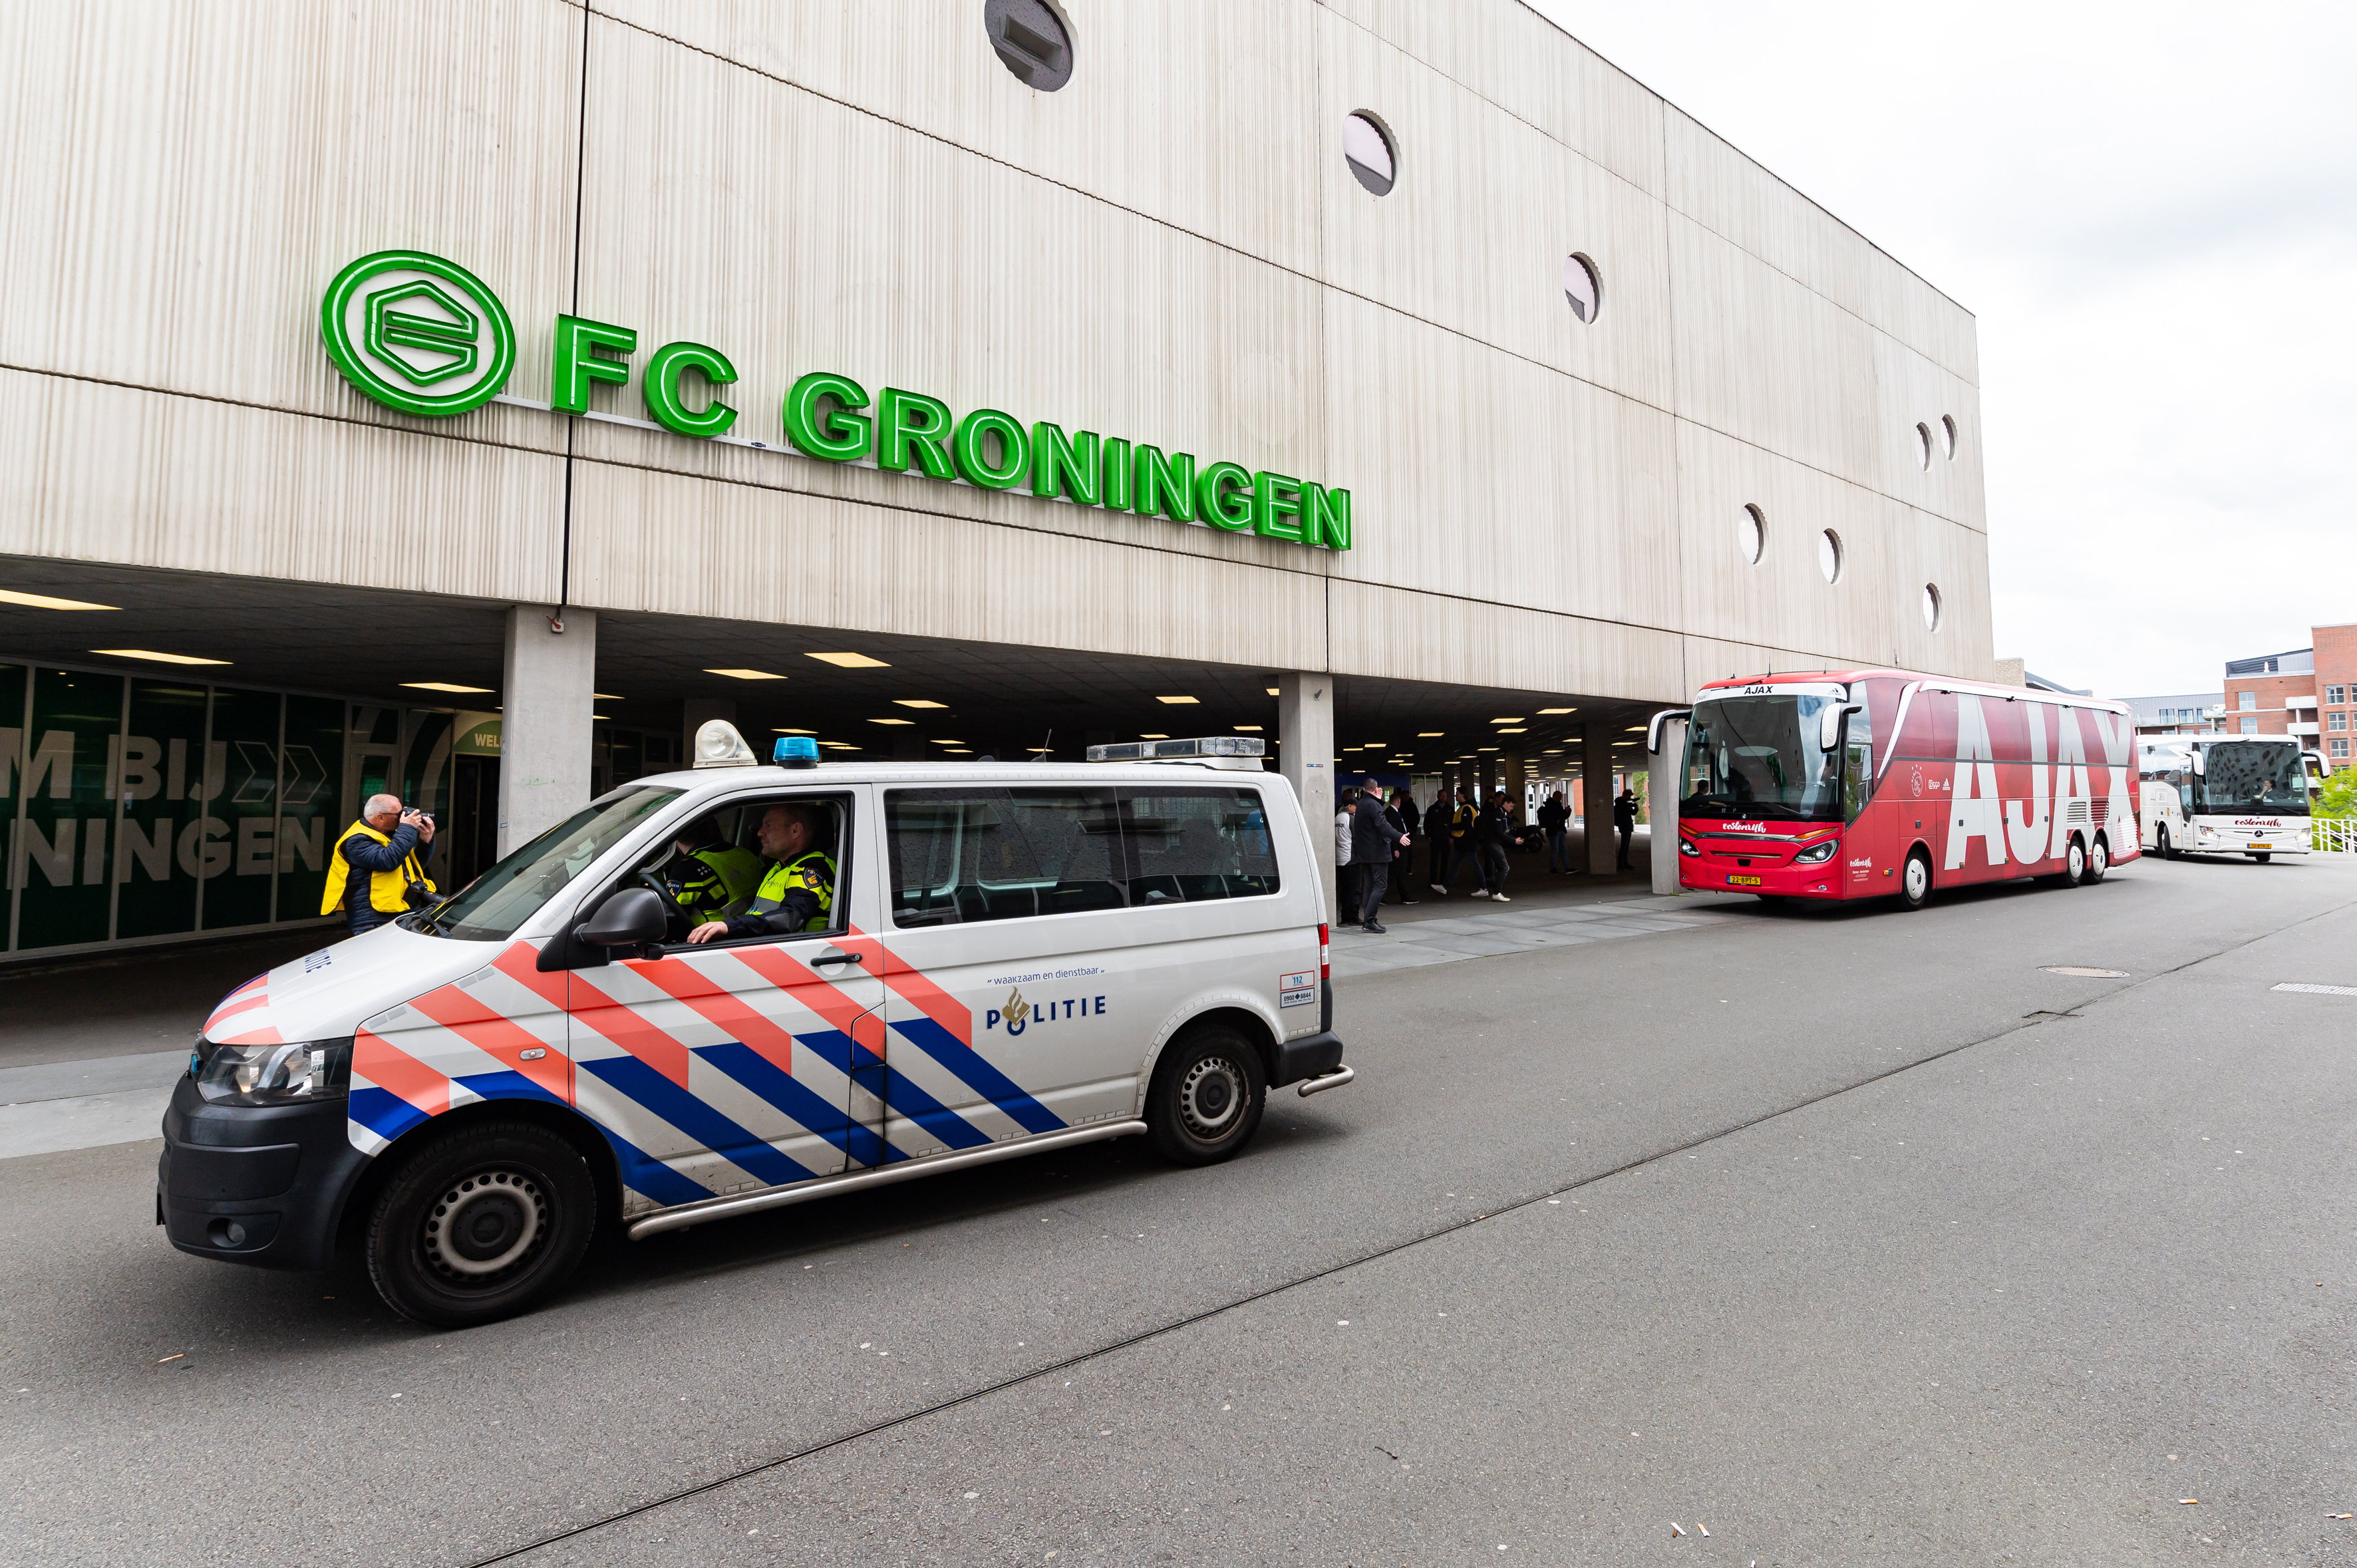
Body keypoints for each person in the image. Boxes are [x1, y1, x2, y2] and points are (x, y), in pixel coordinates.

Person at [687, 802, 836, 942]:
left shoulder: (812, 870)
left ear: (795, 830)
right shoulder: (780, 866)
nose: (760, 832)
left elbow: (790, 918)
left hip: (793, 954)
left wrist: (730, 926)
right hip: (764, 946)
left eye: (768, 826)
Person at [321, 793, 436, 936]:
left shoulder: (389, 835)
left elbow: (412, 867)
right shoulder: (355, 840)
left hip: (401, 910)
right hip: (374, 918)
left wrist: (426, 841)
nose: (403, 817)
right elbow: (388, 862)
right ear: (380, 817)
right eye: (399, 814)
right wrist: (407, 828)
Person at [665, 816, 765, 922]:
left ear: (675, 835)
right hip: (752, 925)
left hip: (716, 932)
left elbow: (669, 920)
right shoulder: (744, 853)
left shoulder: (687, 869)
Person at [1348, 785, 1408, 932]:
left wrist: (1378, 800)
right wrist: (1399, 836)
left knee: (1369, 886)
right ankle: (1369, 921)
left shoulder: (1361, 804)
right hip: (1377, 853)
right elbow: (1383, 825)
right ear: (1375, 790)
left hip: (1364, 852)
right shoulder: (1373, 805)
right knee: (1381, 885)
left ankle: (1369, 920)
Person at [1442, 784, 1488, 896]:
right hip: (1464, 842)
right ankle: (1445, 886)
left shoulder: (1466, 808)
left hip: (1467, 842)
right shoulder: (1465, 807)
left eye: (1457, 794)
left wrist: (1451, 827)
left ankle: (1483, 887)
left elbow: (1465, 824)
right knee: (1456, 863)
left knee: (1473, 864)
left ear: (1462, 795)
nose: (1455, 796)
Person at [1474, 789, 1514, 902]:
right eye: (1511, 806)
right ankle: (1494, 890)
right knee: (1503, 866)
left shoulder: (1501, 813)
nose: (1512, 808)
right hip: (1491, 841)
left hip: (1492, 842)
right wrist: (1513, 840)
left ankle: (1486, 885)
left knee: (1493, 863)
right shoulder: (1495, 812)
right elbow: (1498, 831)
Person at [1386, 786, 1420, 905]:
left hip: (1400, 847)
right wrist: (1395, 848)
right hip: (1398, 848)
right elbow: (1392, 832)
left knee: (1397, 873)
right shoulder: (1391, 814)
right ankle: (1401, 896)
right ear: (1398, 801)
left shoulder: (1393, 812)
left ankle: (1404, 896)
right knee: (1395, 873)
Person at [1424, 790, 1455, 895]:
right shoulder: (1432, 809)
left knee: (1445, 861)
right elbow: (1426, 823)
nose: (1443, 797)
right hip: (1435, 838)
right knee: (1434, 860)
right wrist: (1428, 836)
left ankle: (1443, 881)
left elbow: (1453, 824)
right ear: (1438, 796)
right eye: (1441, 796)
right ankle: (1432, 881)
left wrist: (1452, 837)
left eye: (1445, 796)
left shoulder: (1450, 809)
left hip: (1446, 838)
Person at [1334, 788, 1358, 921]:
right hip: (1351, 858)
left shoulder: (1337, 818)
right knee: (1354, 889)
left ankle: (1344, 916)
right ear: (1350, 806)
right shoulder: (1351, 819)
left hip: (1339, 857)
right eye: (1356, 807)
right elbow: (1357, 838)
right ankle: (1353, 916)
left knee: (1344, 889)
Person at [1539, 788, 1572, 873]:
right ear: (1555, 797)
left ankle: (1567, 868)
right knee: (1556, 850)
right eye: (1560, 797)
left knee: (1562, 850)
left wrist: (1567, 813)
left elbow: (1561, 817)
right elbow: (1558, 816)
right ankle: (1554, 868)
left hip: (1559, 830)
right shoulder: (1551, 806)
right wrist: (1566, 812)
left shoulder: (1556, 805)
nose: (1561, 799)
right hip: (1554, 831)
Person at [1614, 787, 1639, 872]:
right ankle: (1621, 864)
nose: (1630, 798)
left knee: (1626, 846)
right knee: (1624, 846)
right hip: (1624, 825)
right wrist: (1631, 804)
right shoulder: (1620, 803)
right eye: (1629, 796)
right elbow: (1623, 808)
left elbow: (1633, 813)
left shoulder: (1625, 803)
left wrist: (1636, 808)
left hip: (1627, 825)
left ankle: (1625, 863)